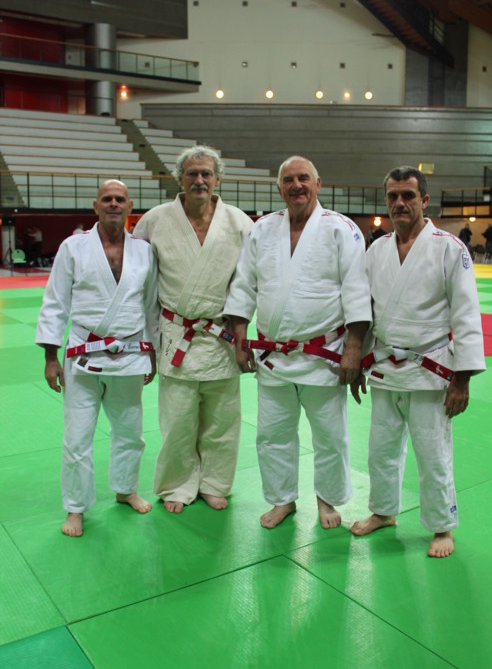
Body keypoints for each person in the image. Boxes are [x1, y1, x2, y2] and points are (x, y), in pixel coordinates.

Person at [225, 156, 372, 529]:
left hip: (325, 355)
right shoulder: (262, 230)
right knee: (272, 435)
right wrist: (240, 334)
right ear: (279, 188)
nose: (296, 186)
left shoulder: (341, 229)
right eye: (288, 180)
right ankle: (282, 500)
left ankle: (327, 500)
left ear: (318, 184)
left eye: (303, 178)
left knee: (330, 436)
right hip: (273, 355)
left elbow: (357, 290)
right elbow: (244, 283)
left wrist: (354, 348)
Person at [350, 166, 485, 558]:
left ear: (425, 200)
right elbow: (369, 312)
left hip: (432, 371)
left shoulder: (448, 248)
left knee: (432, 452)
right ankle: (384, 511)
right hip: (385, 369)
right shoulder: (376, 251)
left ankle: (442, 525)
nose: (399, 203)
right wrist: (359, 360)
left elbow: (466, 315)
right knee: (381, 448)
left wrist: (462, 379)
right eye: (393, 196)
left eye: (408, 195)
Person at [133, 145, 254, 514]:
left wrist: (245, 339)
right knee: (178, 420)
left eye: (206, 174)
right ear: (180, 179)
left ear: (218, 179)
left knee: (222, 419)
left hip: (222, 335)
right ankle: (177, 484)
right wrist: (145, 343)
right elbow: (142, 286)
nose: (199, 180)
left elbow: (247, 285)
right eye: (192, 174)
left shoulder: (238, 223)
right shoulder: (154, 221)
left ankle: (215, 483)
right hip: (176, 335)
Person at [36, 180, 159, 537]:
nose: (114, 204)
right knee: (77, 437)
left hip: (131, 354)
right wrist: (50, 356)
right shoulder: (73, 247)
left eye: (120, 199)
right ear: (96, 205)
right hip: (81, 357)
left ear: (129, 205)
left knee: (131, 433)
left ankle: (125, 489)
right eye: (107, 199)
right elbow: (55, 302)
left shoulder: (144, 251)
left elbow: (151, 305)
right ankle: (75, 508)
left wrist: (151, 351)